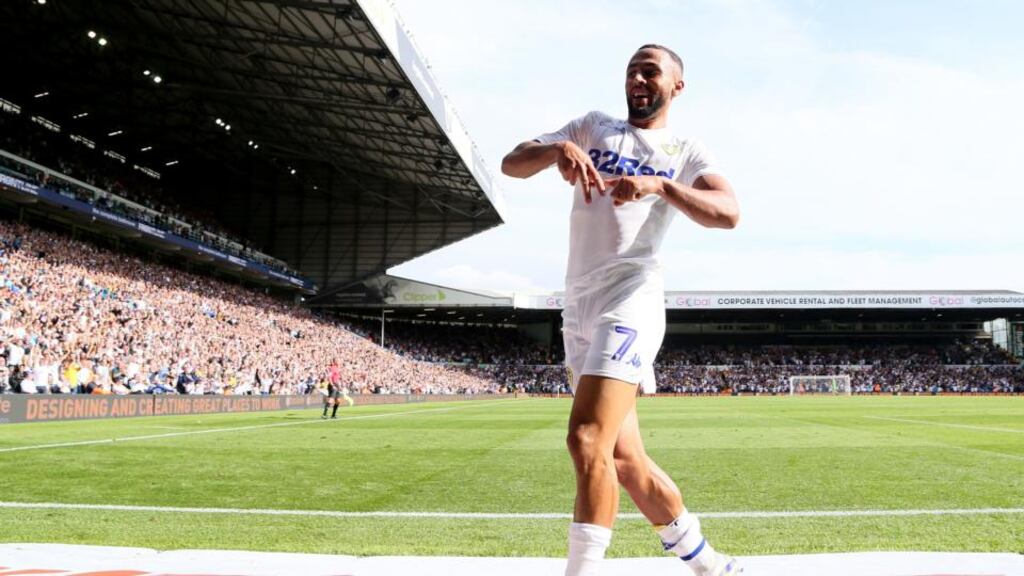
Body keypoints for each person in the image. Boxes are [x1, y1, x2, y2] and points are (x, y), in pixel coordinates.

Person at [501, 45, 742, 576]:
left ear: (676, 86)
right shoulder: (591, 127)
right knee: (623, 460)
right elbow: (512, 163)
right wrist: (557, 150)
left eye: (651, 70)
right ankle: (710, 565)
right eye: (632, 68)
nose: (637, 76)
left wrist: (660, 185)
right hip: (578, 304)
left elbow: (729, 213)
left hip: (631, 298)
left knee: (585, 437)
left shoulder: (685, 149)